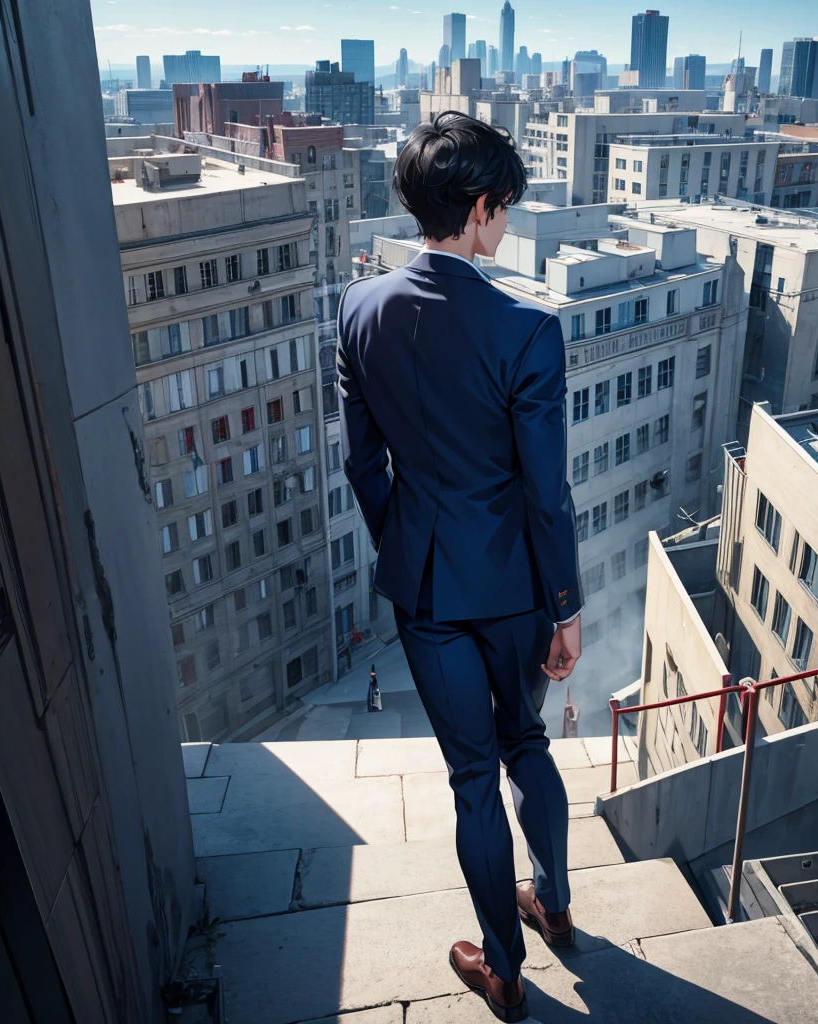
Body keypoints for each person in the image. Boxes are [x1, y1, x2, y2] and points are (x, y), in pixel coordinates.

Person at [336, 110, 583, 1023]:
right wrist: (565, 606)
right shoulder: (527, 329)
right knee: (527, 744)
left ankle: (506, 970)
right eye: (506, 208)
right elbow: (545, 493)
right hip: (517, 588)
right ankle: (554, 901)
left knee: (472, 778)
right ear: (479, 210)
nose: (507, 223)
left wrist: (405, 543)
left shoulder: (359, 308)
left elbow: (364, 466)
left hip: (428, 593)